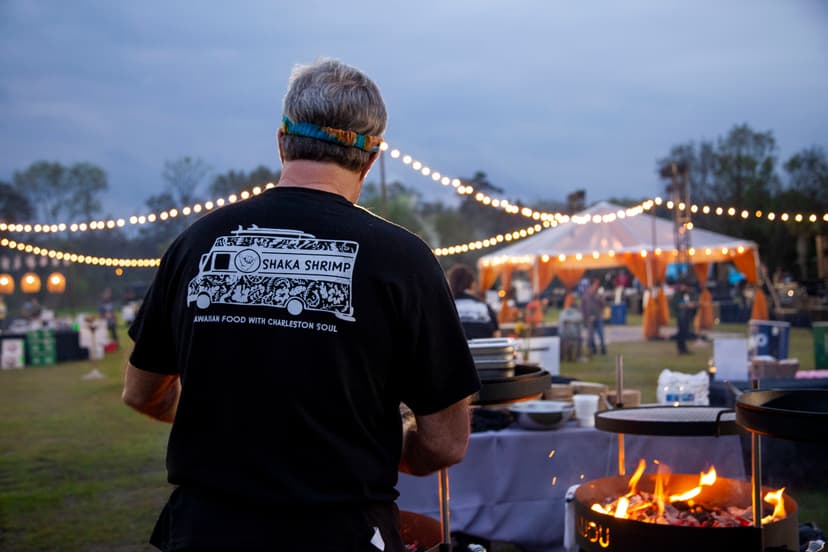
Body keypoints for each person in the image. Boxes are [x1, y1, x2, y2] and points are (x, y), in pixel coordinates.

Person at [122, 59, 480, 552]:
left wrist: (233, 426)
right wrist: (367, 442)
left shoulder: (195, 243)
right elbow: (445, 442)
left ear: (281, 141)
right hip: (340, 531)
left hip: (206, 530)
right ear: (371, 157)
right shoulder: (403, 259)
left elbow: (142, 392)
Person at [447, 264, 499, 340]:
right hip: (484, 350)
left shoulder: (446, 307)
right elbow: (496, 334)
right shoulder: (483, 307)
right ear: (472, 284)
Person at [580, 278, 606, 356]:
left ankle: (603, 349)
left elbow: (603, 305)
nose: (597, 286)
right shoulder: (585, 295)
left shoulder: (598, 294)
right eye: (595, 285)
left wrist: (601, 299)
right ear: (591, 285)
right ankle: (593, 350)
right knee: (591, 336)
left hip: (598, 317)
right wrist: (585, 318)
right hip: (589, 319)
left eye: (597, 285)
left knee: (601, 334)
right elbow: (582, 307)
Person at [670, 279, 697, 355]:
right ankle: (681, 349)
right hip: (681, 316)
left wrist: (693, 305)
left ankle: (684, 349)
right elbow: (677, 305)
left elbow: (693, 302)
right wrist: (687, 305)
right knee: (681, 333)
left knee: (684, 332)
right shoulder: (678, 294)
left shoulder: (688, 294)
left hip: (687, 316)